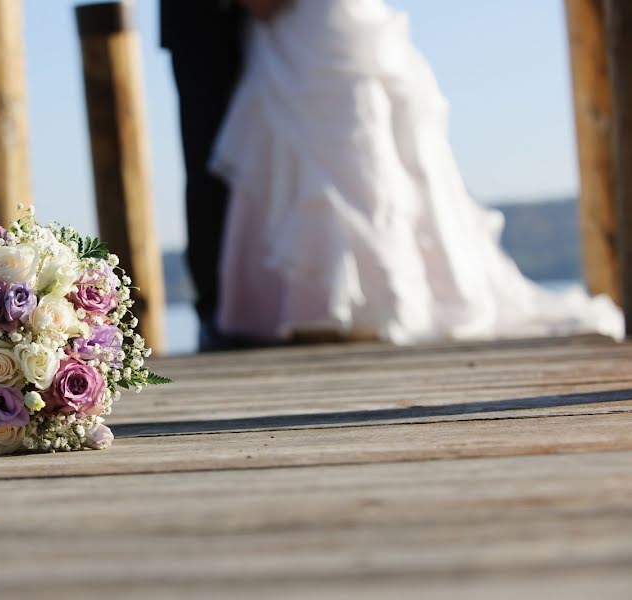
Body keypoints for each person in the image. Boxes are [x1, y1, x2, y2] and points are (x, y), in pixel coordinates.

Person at [209, 0, 623, 344]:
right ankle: (343, 304)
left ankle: (357, 303)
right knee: (341, 150)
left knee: (354, 150)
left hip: (318, 23)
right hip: (312, 29)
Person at [160, 0, 291, 351]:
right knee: (211, 165)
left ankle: (278, 303)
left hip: (274, 27)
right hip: (207, 24)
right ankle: (219, 312)